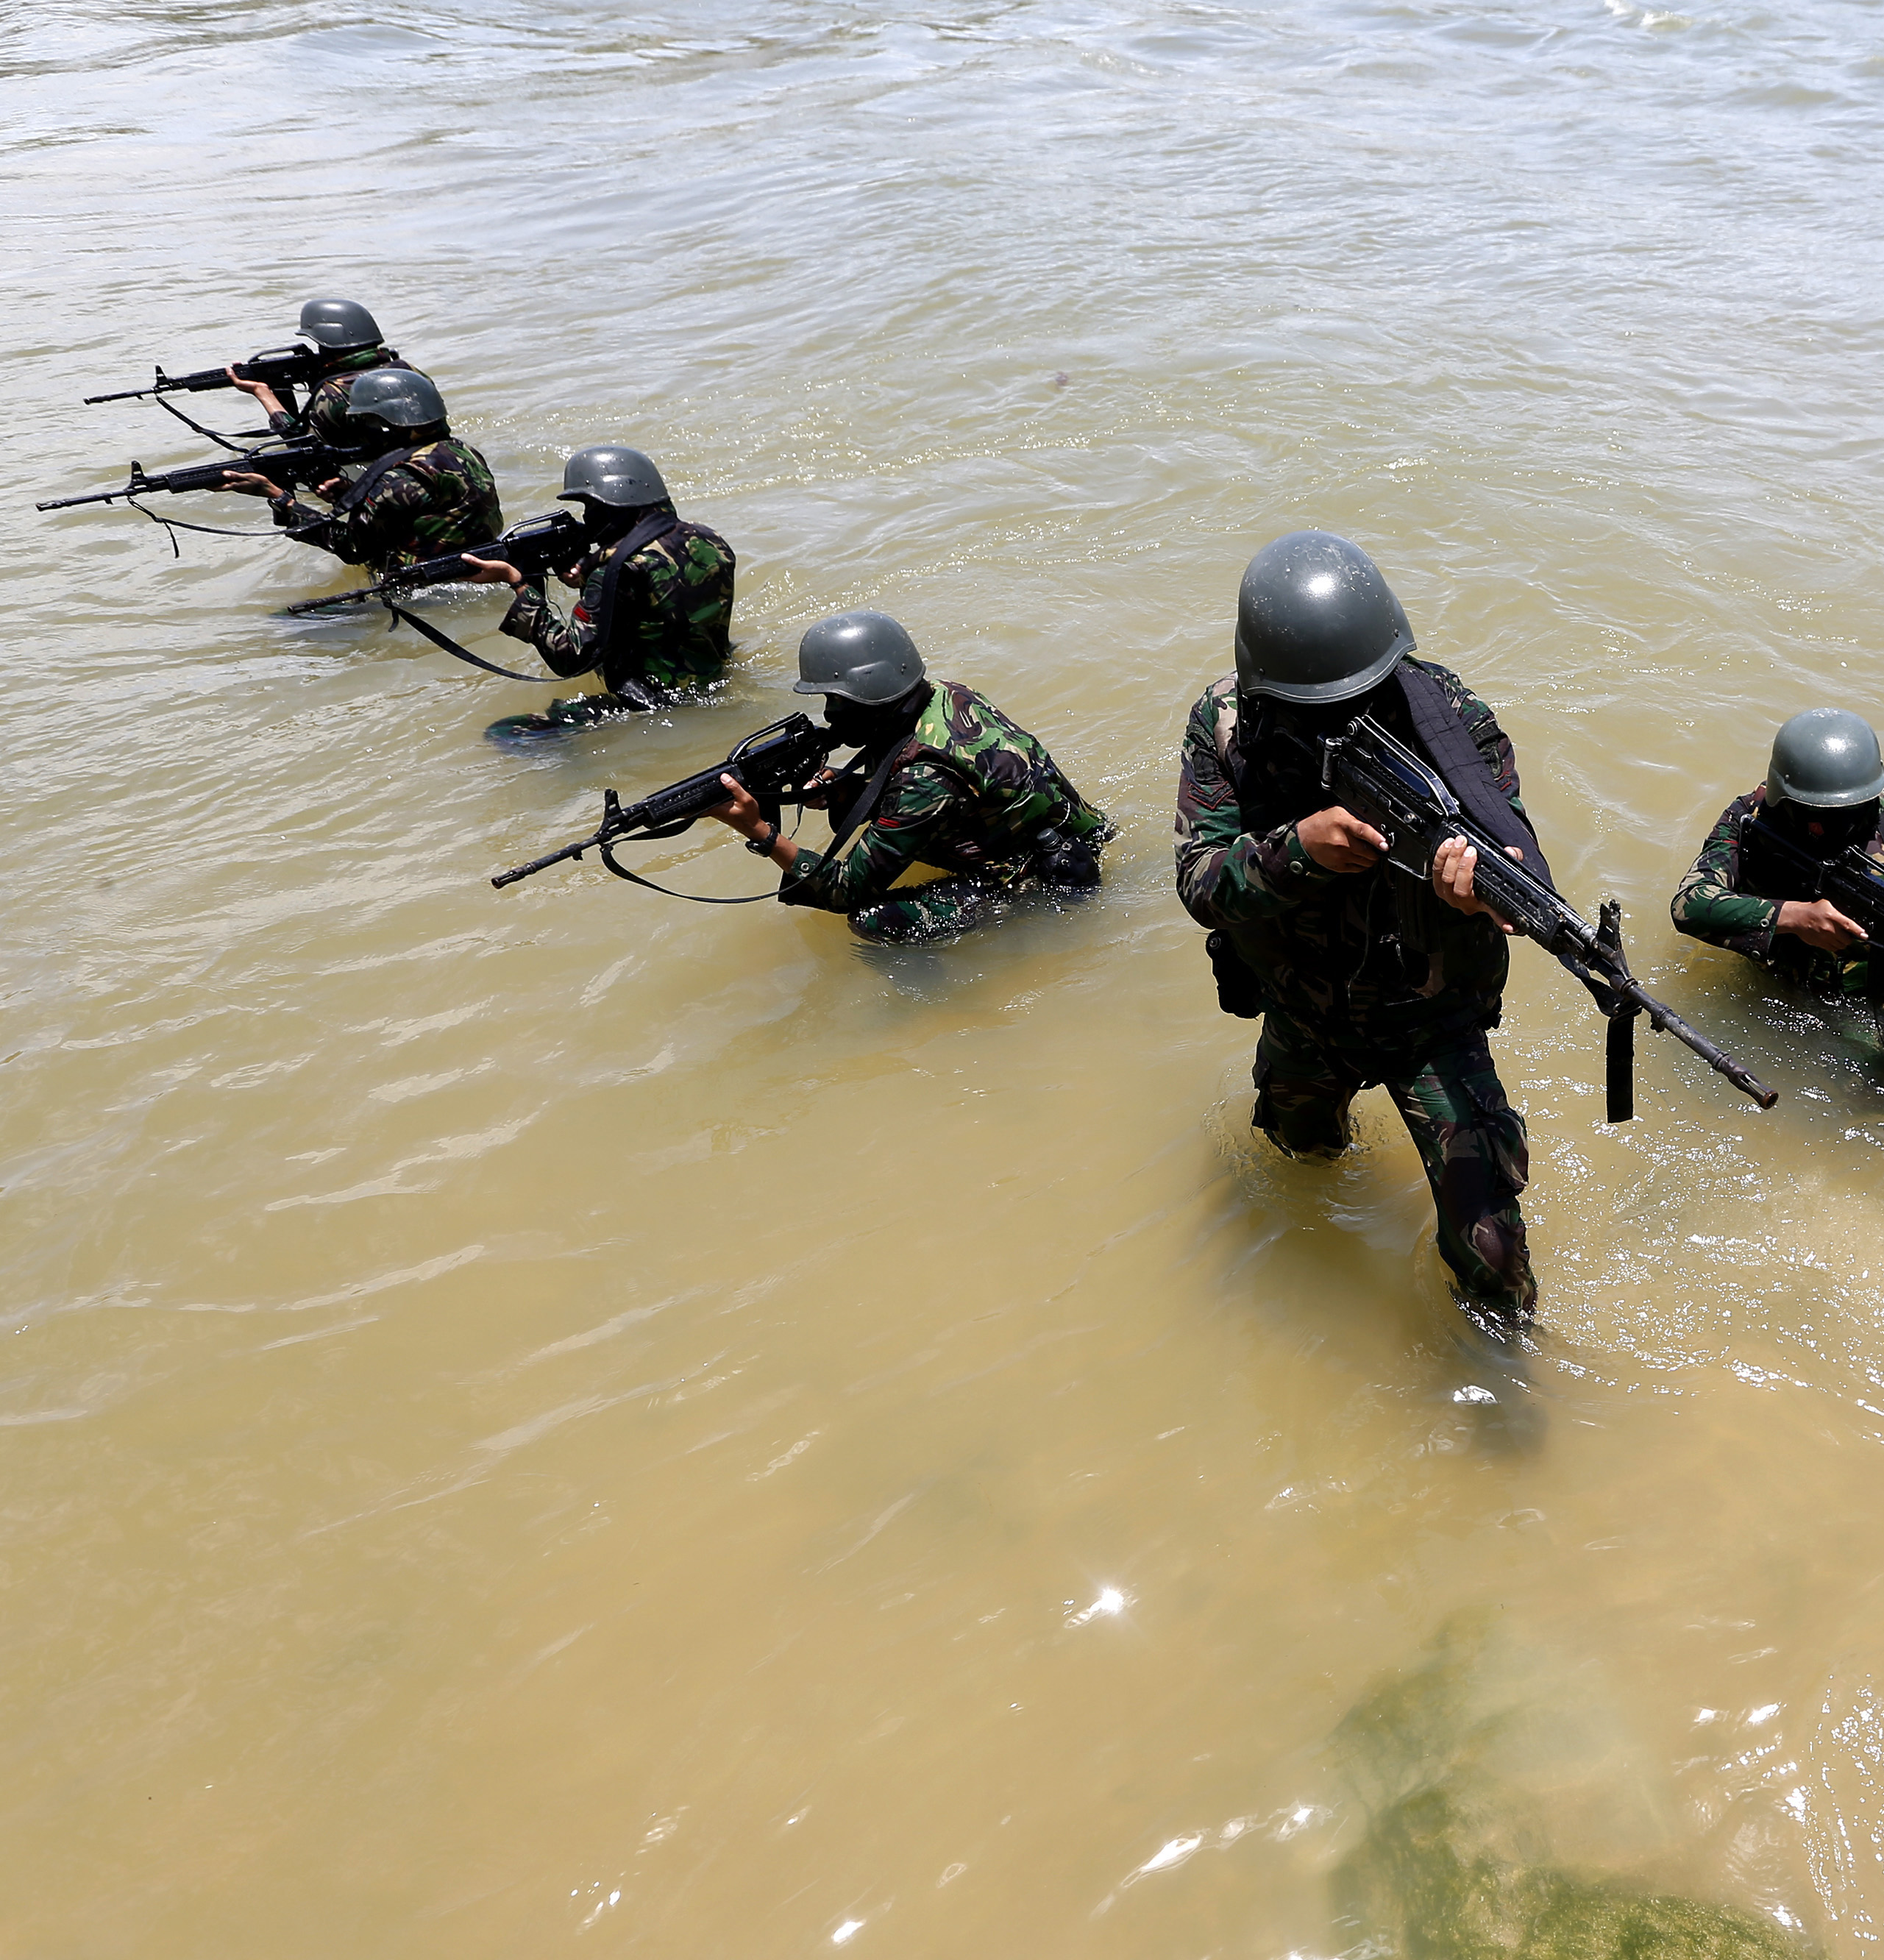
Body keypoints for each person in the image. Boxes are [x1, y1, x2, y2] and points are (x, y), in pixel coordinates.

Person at [1174, 530, 1540, 1329]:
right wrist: (1294, 852)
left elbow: (1511, 839)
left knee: (1494, 1255)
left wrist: (1484, 893)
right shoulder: (1227, 723)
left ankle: (1506, 1384)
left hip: (1432, 1019)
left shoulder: (1451, 720)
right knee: (1299, 1161)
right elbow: (1199, 881)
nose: (1343, 716)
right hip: (1303, 1009)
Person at [705, 611, 1110, 944]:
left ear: (871, 690)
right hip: (1076, 831)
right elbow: (947, 790)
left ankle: (937, 1005)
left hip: (1041, 876)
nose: (829, 714)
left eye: (837, 699)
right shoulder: (945, 695)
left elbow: (844, 891)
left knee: (872, 920)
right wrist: (846, 792)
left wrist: (759, 830)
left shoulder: (924, 777)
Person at [1670, 708, 1884, 1007]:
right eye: (1811, 812)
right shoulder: (1751, 817)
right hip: (1769, 987)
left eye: (1845, 814)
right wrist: (1796, 916)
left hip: (1864, 1006)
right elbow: (1690, 903)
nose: (1822, 827)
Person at [463, 446, 736, 736]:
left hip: (655, 704)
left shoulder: (619, 570)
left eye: (590, 508)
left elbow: (570, 658)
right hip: (711, 680)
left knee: (504, 732)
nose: (588, 519)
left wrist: (518, 583)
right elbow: (658, 595)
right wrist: (589, 573)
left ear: (614, 504)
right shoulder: (707, 538)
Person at [220, 368, 499, 575]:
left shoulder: (399, 479)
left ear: (390, 424)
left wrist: (279, 498)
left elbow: (351, 547)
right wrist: (354, 493)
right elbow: (425, 512)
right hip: (472, 571)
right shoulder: (463, 452)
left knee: (282, 622)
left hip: (421, 589)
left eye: (371, 422)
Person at [222, 297, 429, 449]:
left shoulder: (332, 394)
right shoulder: (410, 371)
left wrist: (263, 393)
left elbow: (299, 444)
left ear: (326, 344)